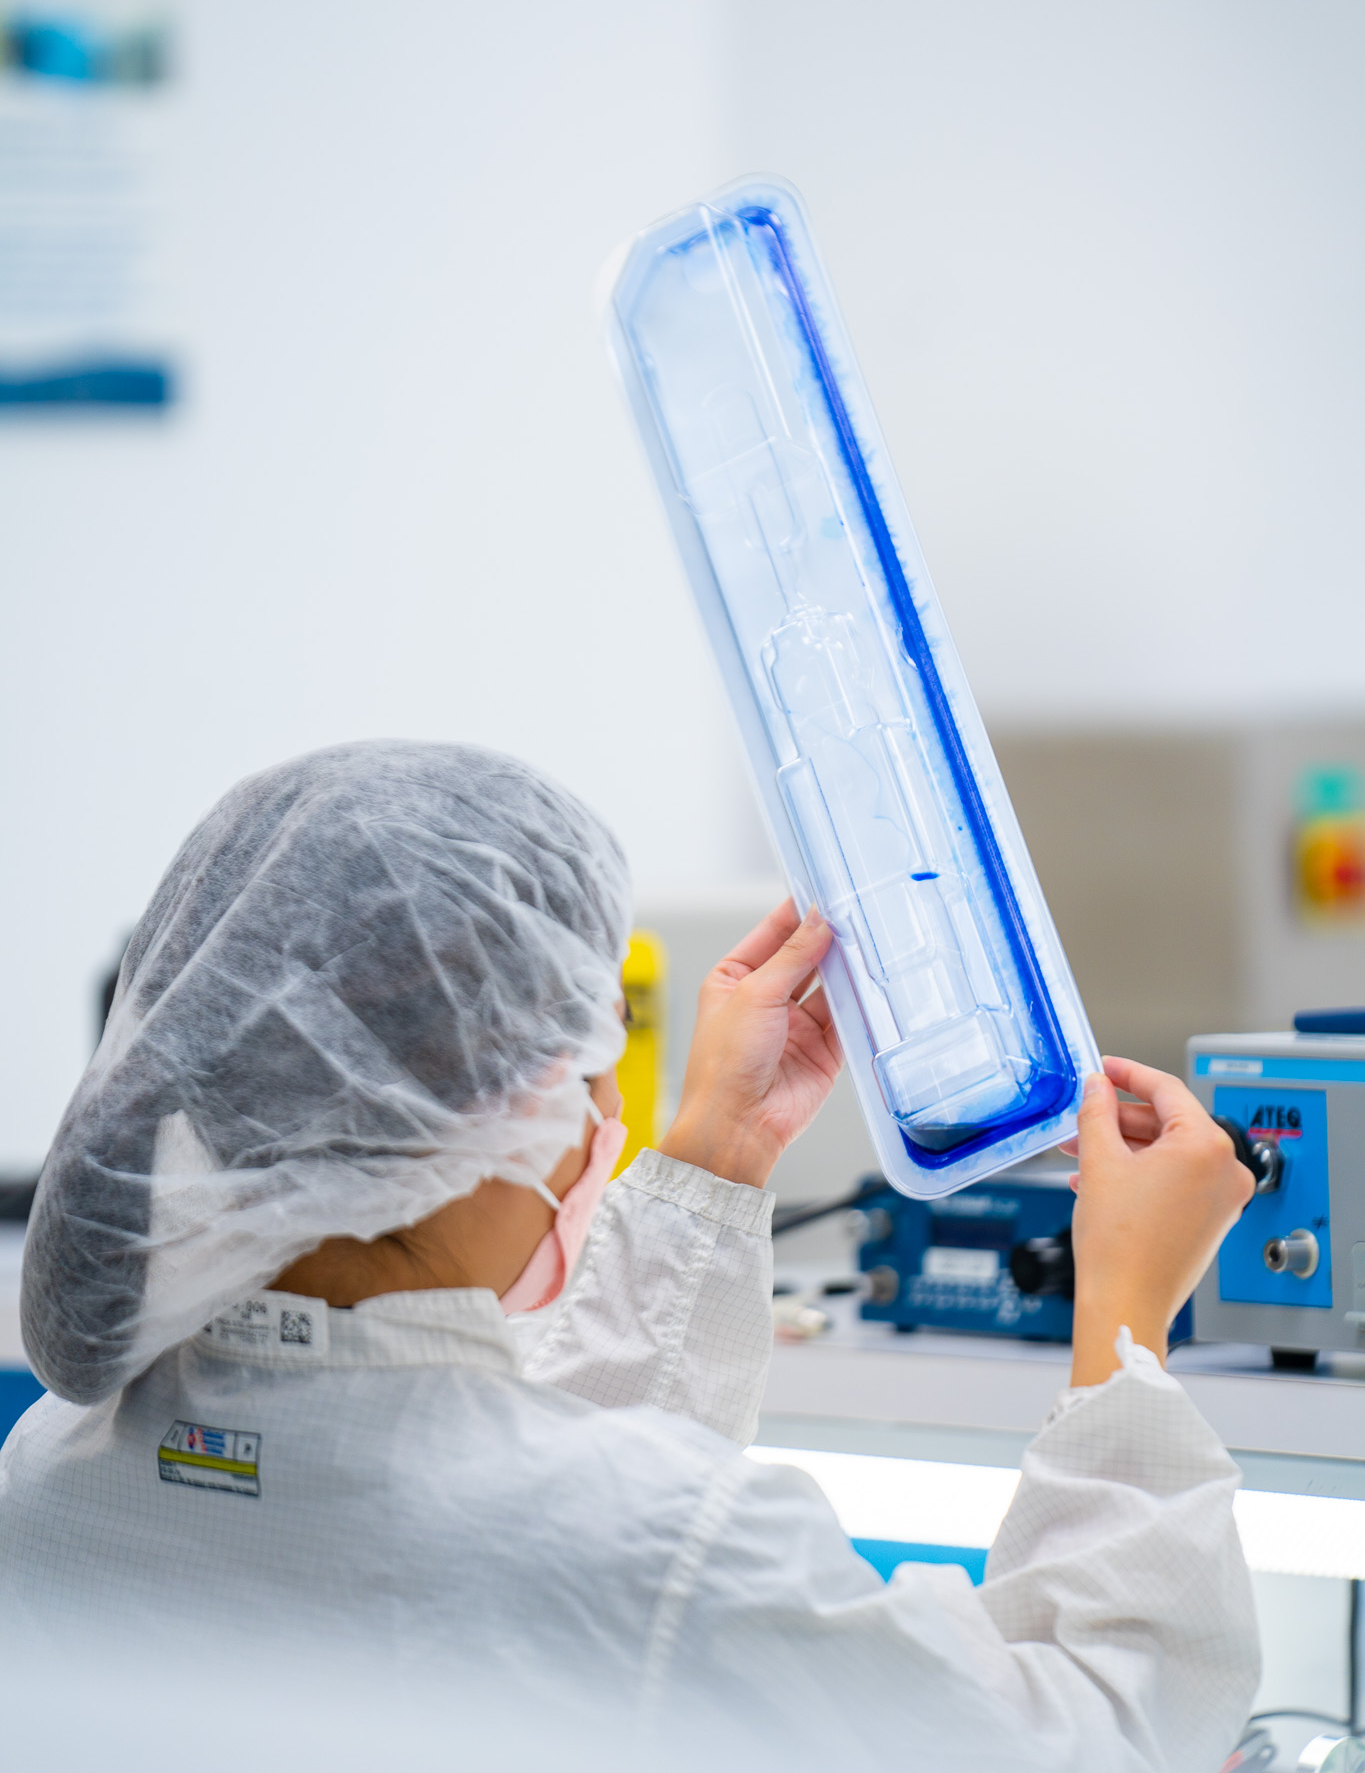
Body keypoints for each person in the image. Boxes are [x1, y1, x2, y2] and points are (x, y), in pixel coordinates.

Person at [0, 742, 1257, 1770]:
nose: (604, 1108)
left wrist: (716, 1150)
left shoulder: (55, 1472)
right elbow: (1106, 1734)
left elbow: (494, 1493)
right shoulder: (680, 1551)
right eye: (589, 1041)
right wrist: (1126, 1324)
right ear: (502, 1116)